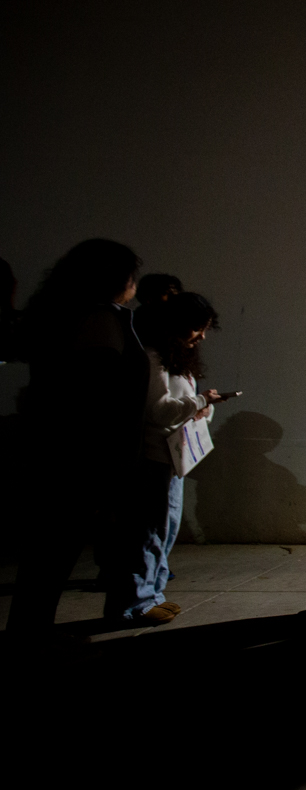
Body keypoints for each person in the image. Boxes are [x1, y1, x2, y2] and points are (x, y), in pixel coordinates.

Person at [6, 239, 150, 636]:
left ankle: (29, 636)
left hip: (57, 453)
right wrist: (109, 473)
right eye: (130, 275)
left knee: (43, 562)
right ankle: (32, 642)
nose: (134, 283)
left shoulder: (62, 316)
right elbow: (98, 400)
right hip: (84, 461)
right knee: (53, 557)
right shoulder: (100, 320)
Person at [116, 292, 229, 624]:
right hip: (154, 457)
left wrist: (202, 409)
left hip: (173, 459)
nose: (202, 336)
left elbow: (180, 408)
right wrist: (198, 403)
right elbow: (159, 411)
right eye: (198, 328)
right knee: (149, 531)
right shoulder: (154, 359)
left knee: (165, 528)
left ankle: (152, 594)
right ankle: (136, 603)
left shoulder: (175, 360)